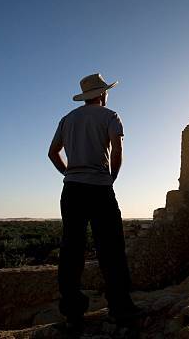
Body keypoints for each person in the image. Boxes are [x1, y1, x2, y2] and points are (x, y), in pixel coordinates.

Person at [48, 73, 142, 330]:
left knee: (71, 250)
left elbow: (52, 152)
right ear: (102, 94)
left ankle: (72, 311)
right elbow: (117, 149)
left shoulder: (67, 119)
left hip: (72, 190)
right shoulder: (110, 116)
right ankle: (120, 308)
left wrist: (68, 172)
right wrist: (111, 177)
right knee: (111, 249)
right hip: (100, 188)